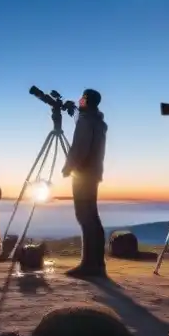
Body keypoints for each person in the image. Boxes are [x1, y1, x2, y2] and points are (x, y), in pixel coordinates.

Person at [61, 88, 108, 279]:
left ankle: (89, 265)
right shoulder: (98, 121)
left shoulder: (85, 121)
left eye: (82, 98)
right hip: (94, 173)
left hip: (83, 174)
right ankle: (97, 263)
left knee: (84, 217)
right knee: (92, 217)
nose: (79, 100)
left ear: (87, 101)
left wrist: (68, 167)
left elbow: (80, 147)